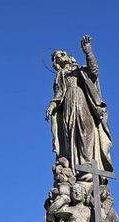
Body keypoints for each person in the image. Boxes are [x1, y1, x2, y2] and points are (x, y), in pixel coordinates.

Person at [46, 35, 113, 175]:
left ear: (68, 57)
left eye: (62, 54)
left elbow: (94, 71)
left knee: (86, 129)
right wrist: (52, 106)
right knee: (70, 134)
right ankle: (75, 167)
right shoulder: (60, 76)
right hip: (67, 107)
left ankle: (88, 164)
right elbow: (58, 96)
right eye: (56, 57)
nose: (60, 57)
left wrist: (88, 52)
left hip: (82, 101)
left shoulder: (80, 70)